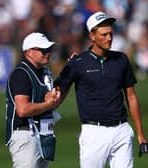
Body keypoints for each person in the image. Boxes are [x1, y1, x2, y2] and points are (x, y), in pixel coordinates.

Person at [52, 11, 147, 168]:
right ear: (92, 36)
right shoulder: (78, 63)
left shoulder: (121, 59)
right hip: (93, 133)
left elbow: (131, 97)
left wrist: (140, 134)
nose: (109, 38)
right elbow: (58, 91)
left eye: (110, 33)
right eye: (104, 34)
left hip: (122, 130)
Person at [5, 32, 60, 168]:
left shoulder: (43, 72)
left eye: (49, 50)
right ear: (29, 52)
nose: (47, 53)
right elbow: (23, 110)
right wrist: (48, 104)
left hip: (41, 134)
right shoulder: (21, 73)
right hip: (26, 134)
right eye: (43, 50)